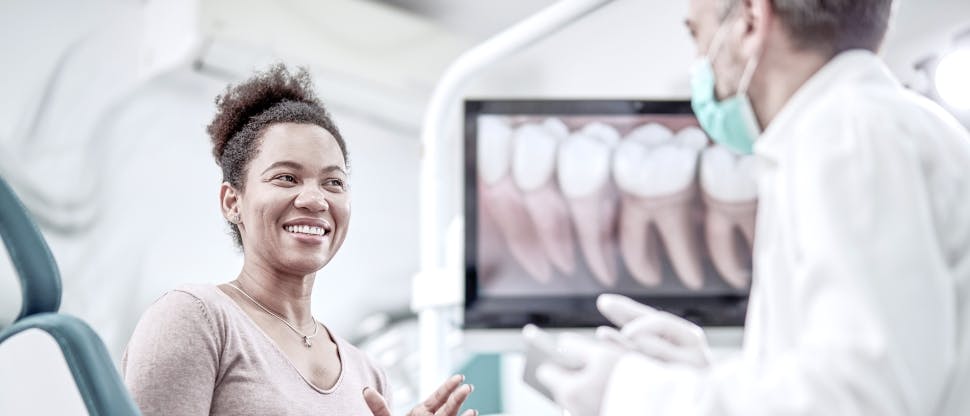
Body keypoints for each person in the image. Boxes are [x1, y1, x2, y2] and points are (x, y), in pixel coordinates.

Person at [528, 0, 970, 414]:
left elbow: (857, 398)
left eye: (697, 36)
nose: (700, 65)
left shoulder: (846, 134)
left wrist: (638, 395)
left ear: (750, 22)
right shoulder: (861, 127)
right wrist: (707, 374)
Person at [123, 64, 477, 416]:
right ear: (233, 202)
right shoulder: (195, 317)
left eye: (333, 182)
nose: (315, 199)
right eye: (287, 178)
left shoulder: (368, 374)